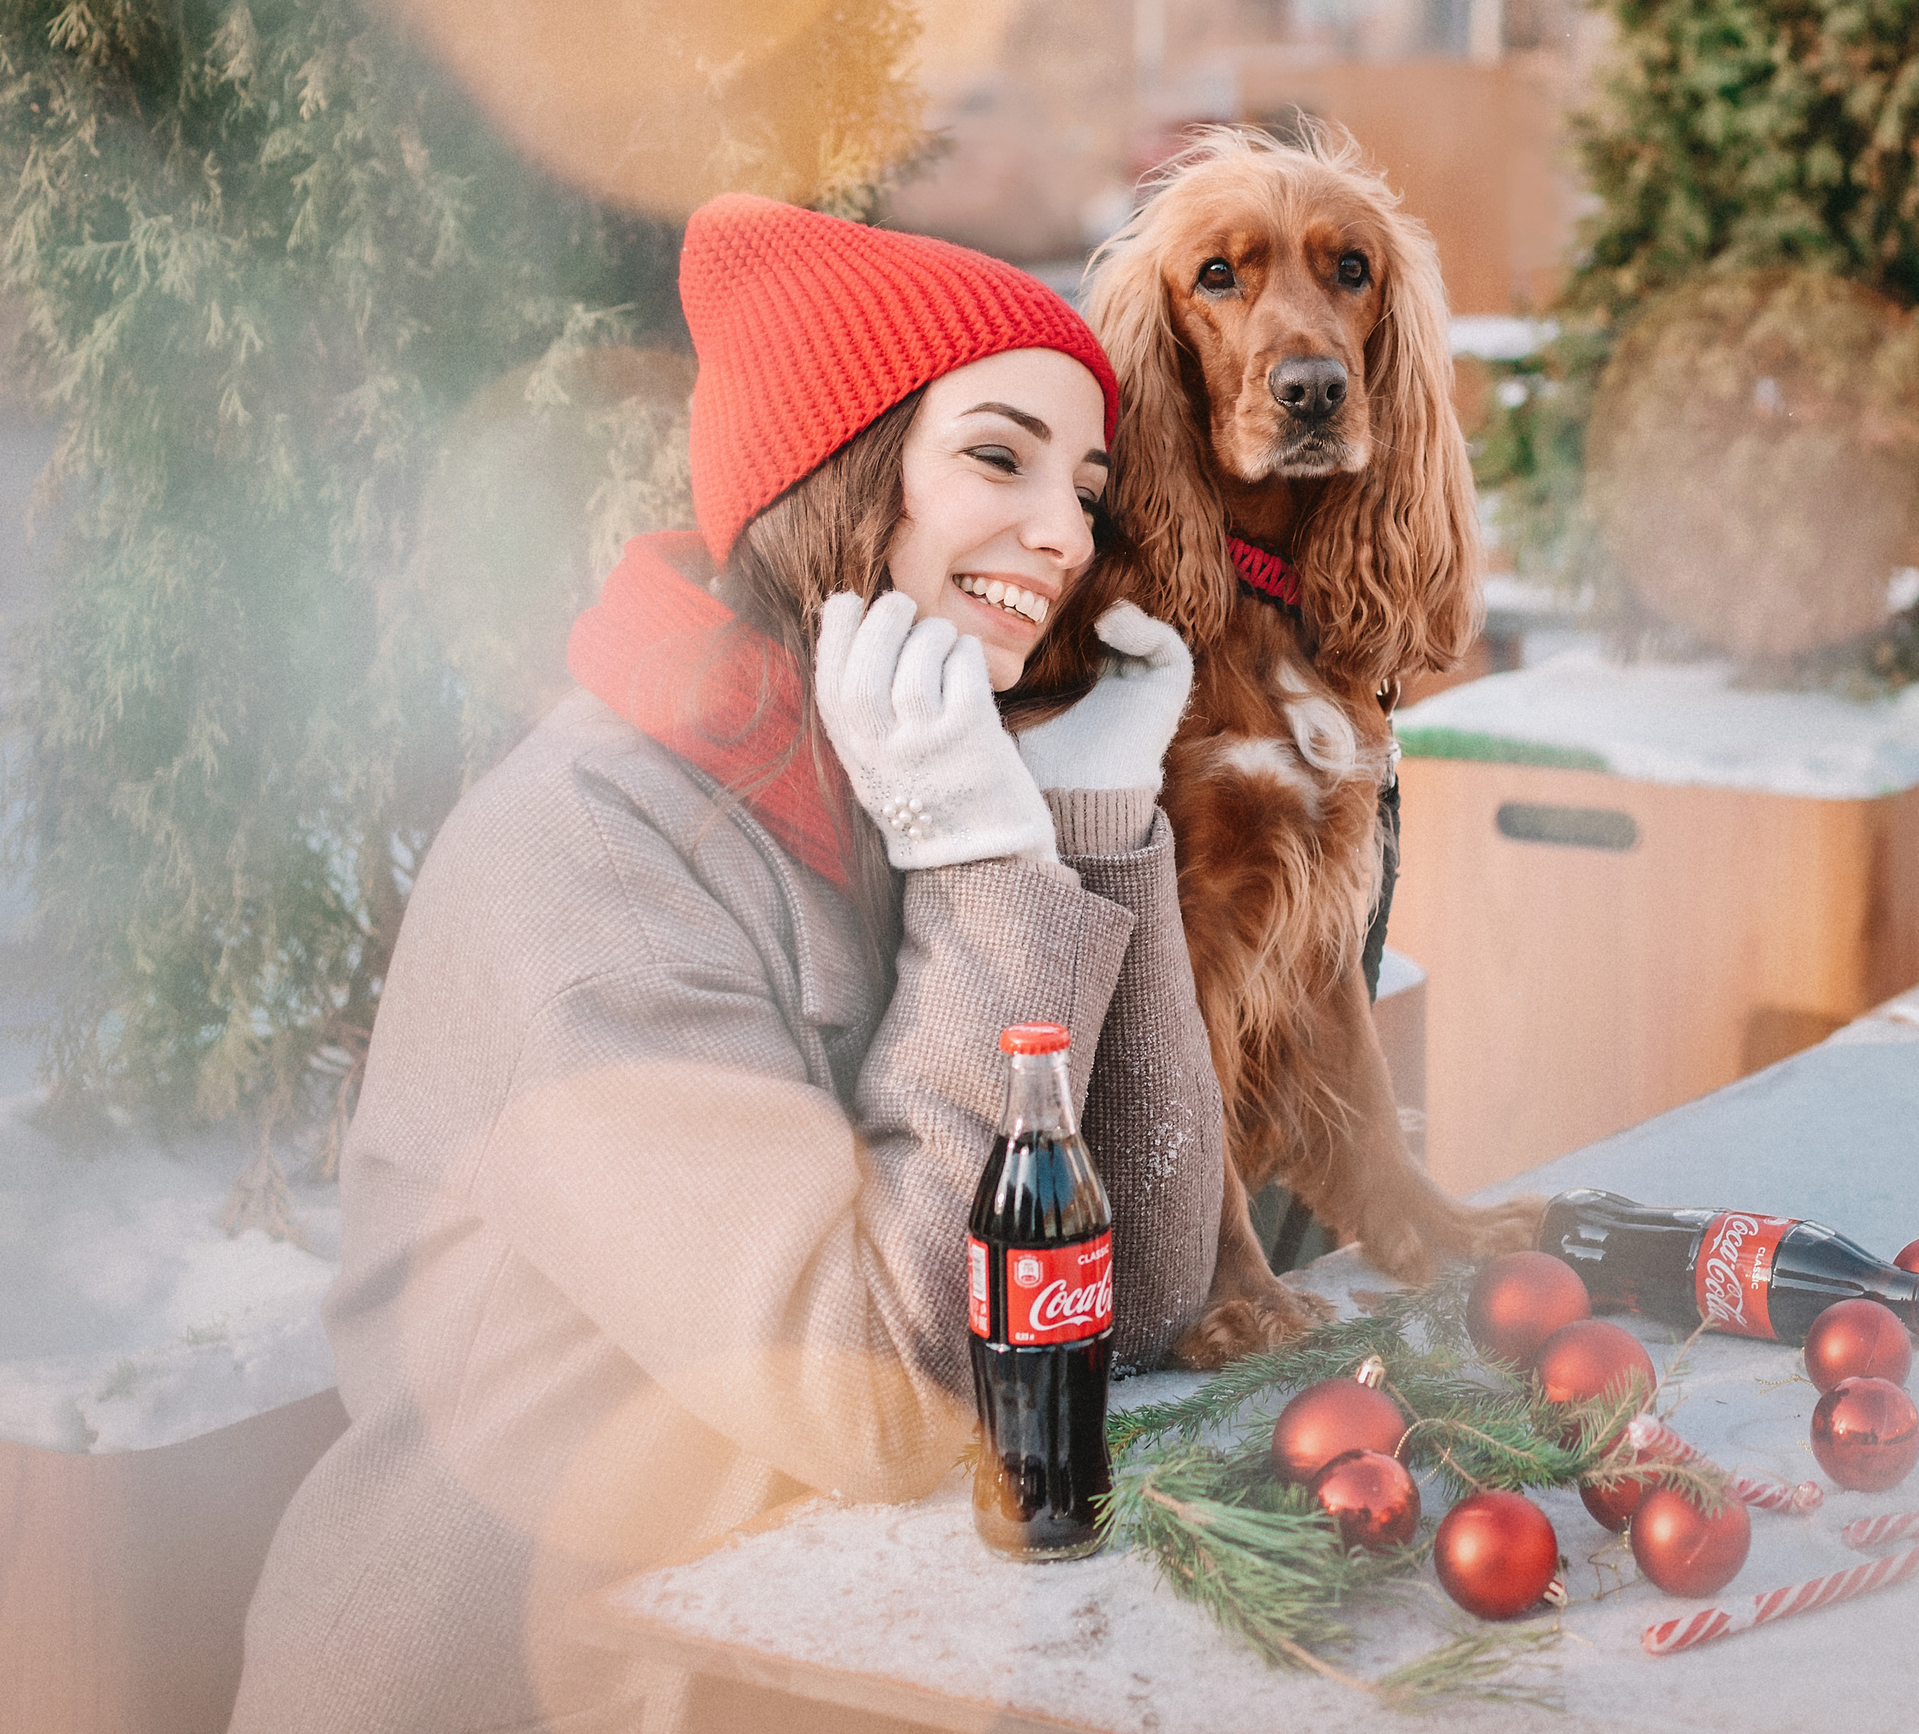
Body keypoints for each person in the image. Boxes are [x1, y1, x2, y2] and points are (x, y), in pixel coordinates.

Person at [233, 198, 1223, 1734]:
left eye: (1084, 486)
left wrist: (1090, 829)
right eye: (998, 455)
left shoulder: (897, 783)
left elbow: (1132, 1295)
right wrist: (982, 867)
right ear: (834, 464)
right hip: (519, 1683)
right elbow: (879, 1398)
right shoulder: (586, 867)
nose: (1067, 532)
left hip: (797, 1654)